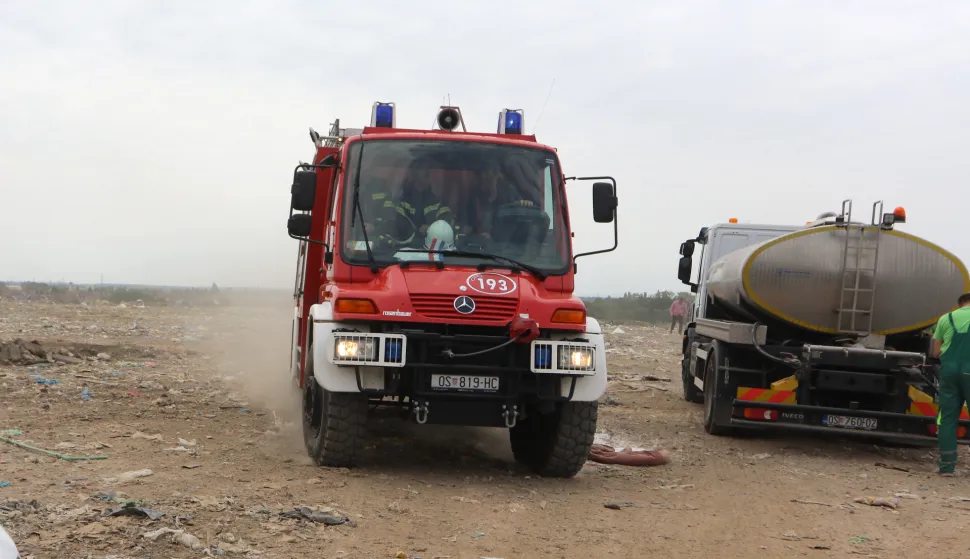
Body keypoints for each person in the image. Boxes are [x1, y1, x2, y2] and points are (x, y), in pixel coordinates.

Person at [931, 292, 970, 476]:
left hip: (949, 372)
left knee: (948, 418)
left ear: (960, 304)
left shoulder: (945, 318)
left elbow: (936, 352)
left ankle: (947, 466)